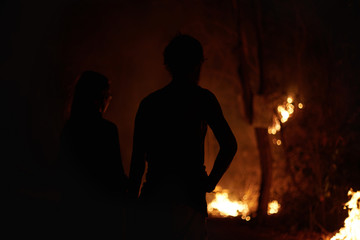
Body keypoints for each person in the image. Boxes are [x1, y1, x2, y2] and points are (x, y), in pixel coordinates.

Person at [128, 34, 237, 239]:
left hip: (154, 198)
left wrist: (132, 205)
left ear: (168, 65)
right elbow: (229, 144)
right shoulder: (204, 99)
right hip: (190, 200)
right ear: (197, 65)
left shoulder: (150, 103)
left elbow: (137, 162)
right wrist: (210, 182)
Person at [58, 71, 127, 237]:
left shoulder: (69, 129)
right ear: (99, 98)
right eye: (107, 96)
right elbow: (115, 176)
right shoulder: (107, 130)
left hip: (74, 212)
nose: (109, 100)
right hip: (104, 214)